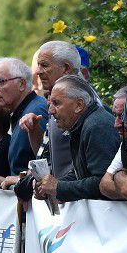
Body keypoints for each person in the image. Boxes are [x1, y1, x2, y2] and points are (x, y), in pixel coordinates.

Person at [22, 75, 120, 203]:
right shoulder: (84, 123)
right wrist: (49, 188)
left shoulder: (97, 126)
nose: (50, 111)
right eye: (50, 103)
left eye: (56, 103)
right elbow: (81, 172)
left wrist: (59, 187)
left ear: (79, 105)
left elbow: (104, 182)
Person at [22, 40, 82, 177]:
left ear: (66, 68)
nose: (37, 72)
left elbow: (87, 169)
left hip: (74, 196)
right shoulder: (56, 98)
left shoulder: (81, 102)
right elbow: (48, 156)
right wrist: (34, 130)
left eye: (44, 65)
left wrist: (61, 188)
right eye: (38, 65)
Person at [0, 57, 49, 175]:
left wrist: (17, 180)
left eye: (0, 82)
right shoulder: (18, 112)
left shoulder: (37, 110)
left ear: (21, 84)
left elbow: (48, 165)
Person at [100, 85, 127, 201]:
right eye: (115, 115)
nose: (116, 124)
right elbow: (104, 185)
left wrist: (118, 175)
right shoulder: (126, 142)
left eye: (122, 116)